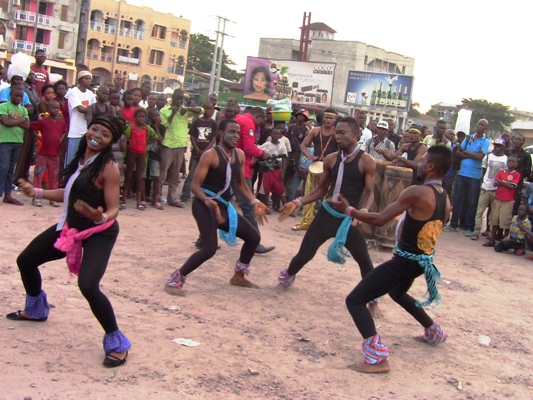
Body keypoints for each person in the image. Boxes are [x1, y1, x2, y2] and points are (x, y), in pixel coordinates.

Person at [7, 114, 131, 368]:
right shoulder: (81, 160)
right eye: (94, 129)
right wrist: (38, 191)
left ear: (111, 142)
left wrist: (100, 217)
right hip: (70, 228)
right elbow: (70, 191)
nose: (97, 135)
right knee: (26, 260)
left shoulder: (108, 167)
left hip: (100, 232)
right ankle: (36, 309)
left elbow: (114, 208)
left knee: (88, 285)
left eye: (105, 134)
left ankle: (117, 343)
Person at [326, 146, 452, 374]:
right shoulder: (445, 198)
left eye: (421, 161)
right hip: (419, 262)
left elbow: (380, 219)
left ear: (431, 166)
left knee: (355, 299)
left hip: (405, 262)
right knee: (397, 293)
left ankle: (377, 359)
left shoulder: (418, 192)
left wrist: (350, 210)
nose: (418, 165)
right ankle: (433, 331)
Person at [278, 117, 378, 308]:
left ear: (355, 135)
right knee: (305, 253)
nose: (337, 137)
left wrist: (362, 213)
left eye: (342, 133)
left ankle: (373, 301)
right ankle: (286, 279)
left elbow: (370, 192)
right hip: (326, 214)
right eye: (336, 133)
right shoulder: (331, 159)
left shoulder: (366, 161)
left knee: (364, 260)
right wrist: (297, 202)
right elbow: (322, 189)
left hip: (349, 218)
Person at [164, 119, 270, 295]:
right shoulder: (210, 155)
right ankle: (175, 279)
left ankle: (239, 276)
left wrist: (255, 202)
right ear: (221, 133)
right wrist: (208, 201)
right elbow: (195, 186)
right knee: (209, 248)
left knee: (253, 237)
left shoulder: (240, 155)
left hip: (223, 207)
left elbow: (241, 184)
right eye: (231, 132)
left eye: (237, 133)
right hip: (203, 205)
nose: (235, 136)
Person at [235, 106, 275, 253]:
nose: (262, 124)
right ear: (258, 115)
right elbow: (249, 148)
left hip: (231, 166)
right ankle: (254, 242)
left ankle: (203, 238)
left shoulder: (239, 119)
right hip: (240, 170)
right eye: (263, 120)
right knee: (249, 206)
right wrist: (262, 153)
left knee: (217, 200)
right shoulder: (249, 123)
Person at [292, 108, 339, 231]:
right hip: (315, 168)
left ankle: (327, 225)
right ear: (323, 118)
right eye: (327, 117)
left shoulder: (337, 133)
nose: (329, 120)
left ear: (335, 120)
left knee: (329, 198)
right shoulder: (315, 131)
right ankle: (306, 222)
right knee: (308, 194)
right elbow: (303, 146)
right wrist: (310, 156)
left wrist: (331, 160)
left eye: (331, 118)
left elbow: (341, 152)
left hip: (330, 171)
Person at [444, 119, 490, 235]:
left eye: (483, 126)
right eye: (479, 124)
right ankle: (453, 224)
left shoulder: (486, 141)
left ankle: (469, 227)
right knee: (457, 199)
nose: (480, 127)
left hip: (475, 176)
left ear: (486, 129)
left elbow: (480, 156)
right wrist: (472, 154)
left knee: (472, 202)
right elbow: (458, 153)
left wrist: (466, 153)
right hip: (462, 173)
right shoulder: (468, 138)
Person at [159, 89, 203, 208]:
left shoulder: (185, 111)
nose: (179, 101)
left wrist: (187, 109)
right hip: (168, 144)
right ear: (172, 97)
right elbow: (164, 126)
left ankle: (172, 198)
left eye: (181, 99)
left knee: (175, 174)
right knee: (162, 172)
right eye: (177, 98)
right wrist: (173, 113)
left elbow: (201, 111)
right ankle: (157, 196)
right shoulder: (164, 111)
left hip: (180, 145)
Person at [121, 108, 161, 210]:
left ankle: (139, 202)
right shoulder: (131, 127)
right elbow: (125, 137)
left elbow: (156, 137)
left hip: (142, 154)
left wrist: (145, 143)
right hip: (131, 153)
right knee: (129, 175)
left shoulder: (146, 128)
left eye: (143, 117)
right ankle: (123, 201)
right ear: (135, 117)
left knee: (139, 177)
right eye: (139, 117)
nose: (141, 119)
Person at [29, 100, 67, 207]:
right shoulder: (43, 122)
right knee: (38, 175)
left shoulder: (60, 123)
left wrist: (60, 139)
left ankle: (53, 198)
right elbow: (31, 127)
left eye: (57, 108)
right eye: (53, 108)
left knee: (54, 177)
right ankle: (36, 197)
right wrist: (39, 137)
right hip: (43, 154)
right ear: (48, 109)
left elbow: (64, 131)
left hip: (55, 154)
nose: (56, 110)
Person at [470, 138, 507, 241]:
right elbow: (484, 170)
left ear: (503, 147)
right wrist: (484, 183)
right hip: (486, 187)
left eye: (499, 146)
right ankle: (476, 231)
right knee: (480, 211)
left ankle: (491, 233)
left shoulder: (506, 159)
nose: (497, 148)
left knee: (494, 213)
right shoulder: (488, 157)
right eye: (496, 145)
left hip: (497, 189)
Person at [181, 101, 217, 203]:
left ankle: (201, 196)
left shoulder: (213, 123)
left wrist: (205, 151)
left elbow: (213, 139)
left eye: (210, 109)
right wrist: (197, 150)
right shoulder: (196, 122)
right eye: (207, 108)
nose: (209, 111)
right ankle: (185, 195)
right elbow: (192, 137)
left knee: (205, 176)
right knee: (191, 175)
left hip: (208, 154)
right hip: (196, 153)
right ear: (203, 109)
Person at [0, 86, 30, 206]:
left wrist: (13, 120)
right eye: (16, 96)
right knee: (3, 168)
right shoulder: (3, 106)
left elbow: (27, 126)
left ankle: (8, 195)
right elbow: (5, 122)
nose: (18, 98)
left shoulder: (23, 109)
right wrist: (20, 120)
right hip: (5, 141)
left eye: (21, 96)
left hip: (18, 141)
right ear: (10, 95)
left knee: (11, 169)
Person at [482, 155, 520, 247]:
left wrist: (501, 182)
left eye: (513, 162)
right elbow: (495, 183)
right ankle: (492, 239)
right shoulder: (501, 171)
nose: (510, 163)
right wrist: (504, 183)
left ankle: (504, 241)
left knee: (505, 221)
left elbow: (512, 186)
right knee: (494, 220)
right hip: (498, 198)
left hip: (508, 200)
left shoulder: (516, 174)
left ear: (516, 164)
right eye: (509, 161)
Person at [64, 71, 96, 166]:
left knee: (83, 160)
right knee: (71, 160)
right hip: (75, 131)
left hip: (87, 131)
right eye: (86, 78)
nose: (88, 80)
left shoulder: (90, 94)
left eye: (89, 79)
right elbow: (80, 109)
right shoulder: (73, 92)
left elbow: (95, 109)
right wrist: (91, 110)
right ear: (80, 80)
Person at [257, 126, 289, 209]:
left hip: (277, 170)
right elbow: (258, 151)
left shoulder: (282, 146)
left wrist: (283, 172)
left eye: (278, 134)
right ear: (271, 134)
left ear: (280, 135)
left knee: (281, 190)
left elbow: (285, 159)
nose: (276, 135)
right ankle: (266, 207)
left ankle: (287, 208)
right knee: (265, 189)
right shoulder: (267, 145)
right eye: (274, 133)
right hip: (268, 170)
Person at [285, 109, 310, 202]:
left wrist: (297, 164)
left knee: (296, 182)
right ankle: (286, 201)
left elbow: (304, 147)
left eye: (302, 116)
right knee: (285, 179)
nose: (300, 117)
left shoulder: (306, 130)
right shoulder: (291, 128)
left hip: (298, 158)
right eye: (299, 115)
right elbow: (286, 140)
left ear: (305, 118)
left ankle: (293, 202)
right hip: (288, 155)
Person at [507, 134, 532, 215]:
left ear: (523, 143)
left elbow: (527, 172)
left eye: (519, 140)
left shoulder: (526, 155)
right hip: (505, 182)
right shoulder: (507, 153)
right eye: (516, 139)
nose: (517, 141)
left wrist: (517, 176)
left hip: (518, 185)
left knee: (514, 206)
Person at [147, 108, 165, 210]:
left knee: (156, 177)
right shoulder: (146, 127)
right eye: (154, 116)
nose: (157, 117)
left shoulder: (161, 127)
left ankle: (155, 200)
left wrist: (156, 127)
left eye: (158, 115)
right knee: (144, 177)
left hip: (156, 156)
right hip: (146, 154)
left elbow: (161, 140)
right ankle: (145, 197)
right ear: (150, 117)